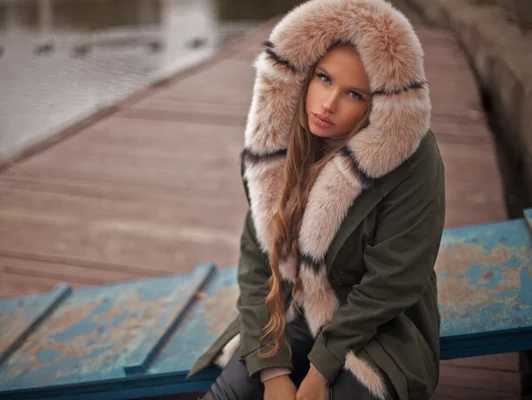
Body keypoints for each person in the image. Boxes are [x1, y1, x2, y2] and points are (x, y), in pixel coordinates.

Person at [186, 0, 446, 399]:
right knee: (231, 391)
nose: (327, 104)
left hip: (379, 325)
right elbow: (259, 264)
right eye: (324, 79)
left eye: (354, 94)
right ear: (305, 73)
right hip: (291, 306)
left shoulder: (411, 158)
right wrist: (273, 374)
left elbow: (393, 282)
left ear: (377, 100)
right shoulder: (278, 143)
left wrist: (318, 373)